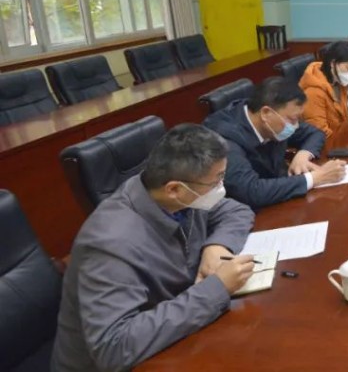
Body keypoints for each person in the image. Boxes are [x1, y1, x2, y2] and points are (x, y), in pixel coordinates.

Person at [52, 124, 257, 371]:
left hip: (173, 335)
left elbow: (236, 211)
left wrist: (216, 246)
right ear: (174, 189)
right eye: (216, 181)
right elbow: (114, 348)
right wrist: (216, 289)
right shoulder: (109, 243)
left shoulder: (181, 196)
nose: (220, 188)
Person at [204, 77, 345, 210]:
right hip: (251, 212)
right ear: (266, 113)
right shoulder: (224, 139)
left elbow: (315, 133)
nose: (295, 126)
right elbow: (250, 191)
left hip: (280, 197)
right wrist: (314, 178)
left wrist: (303, 155)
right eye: (292, 119)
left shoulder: (273, 118)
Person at [299, 40, 348, 139]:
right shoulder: (314, 92)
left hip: (340, 134)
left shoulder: (338, 81)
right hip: (328, 142)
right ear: (333, 63)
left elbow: (343, 117)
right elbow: (320, 132)